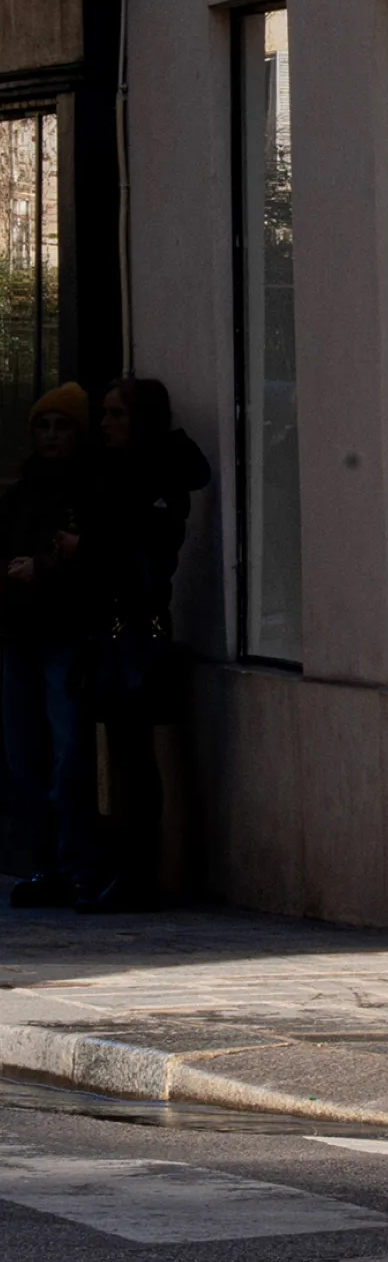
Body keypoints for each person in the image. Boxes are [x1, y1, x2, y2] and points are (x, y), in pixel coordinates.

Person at [74, 377, 209, 911]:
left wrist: (87, 547)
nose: (105, 424)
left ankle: (139, 873)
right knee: (124, 754)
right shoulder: (117, 472)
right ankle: (127, 869)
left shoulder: (156, 476)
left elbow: (144, 548)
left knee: (136, 755)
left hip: (137, 626)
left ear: (141, 420)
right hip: (110, 626)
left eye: (116, 414)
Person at [2, 384, 96, 908]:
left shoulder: (87, 491)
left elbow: (97, 557)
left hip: (65, 635)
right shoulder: (20, 493)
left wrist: (45, 569)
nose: (52, 436)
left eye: (63, 426)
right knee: (23, 758)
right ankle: (42, 865)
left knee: (69, 755)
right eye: (44, 426)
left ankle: (75, 863)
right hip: (20, 636)